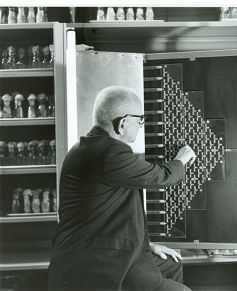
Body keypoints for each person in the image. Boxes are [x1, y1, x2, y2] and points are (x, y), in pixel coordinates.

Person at [48, 86, 196, 291]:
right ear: (123, 123)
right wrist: (181, 160)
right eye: (140, 120)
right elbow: (159, 176)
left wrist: (147, 246)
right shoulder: (111, 153)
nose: (141, 126)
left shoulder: (86, 146)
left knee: (171, 263)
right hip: (97, 262)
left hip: (92, 250)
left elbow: (108, 216)